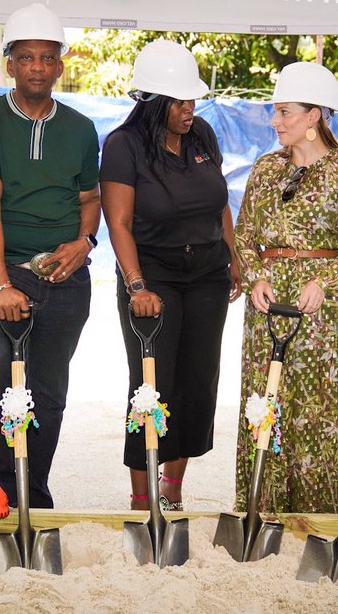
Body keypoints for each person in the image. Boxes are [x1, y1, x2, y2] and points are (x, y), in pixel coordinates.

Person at [0, 3, 100, 518]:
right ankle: (1, 479)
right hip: (2, 271)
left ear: (59, 65)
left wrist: (85, 242)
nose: (38, 67)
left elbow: (90, 200)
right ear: (10, 64)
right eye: (26, 58)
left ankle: (32, 495)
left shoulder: (82, 128)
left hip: (66, 274)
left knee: (47, 387)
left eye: (47, 58)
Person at [100, 40, 241, 512]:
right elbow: (117, 222)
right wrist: (136, 284)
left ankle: (172, 491)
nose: (190, 108)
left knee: (197, 381)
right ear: (155, 102)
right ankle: (142, 499)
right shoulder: (123, 146)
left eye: (192, 99)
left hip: (207, 274)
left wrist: (233, 256)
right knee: (151, 385)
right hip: (152, 274)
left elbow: (219, 201)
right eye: (180, 101)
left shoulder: (201, 134)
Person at [233, 62, 338, 513]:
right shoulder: (264, 169)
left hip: (323, 312)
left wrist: (326, 280)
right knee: (266, 404)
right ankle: (263, 509)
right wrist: (256, 274)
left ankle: (324, 520)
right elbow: (243, 236)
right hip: (268, 307)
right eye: (274, 112)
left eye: (284, 112)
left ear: (314, 116)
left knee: (320, 411)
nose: (275, 122)